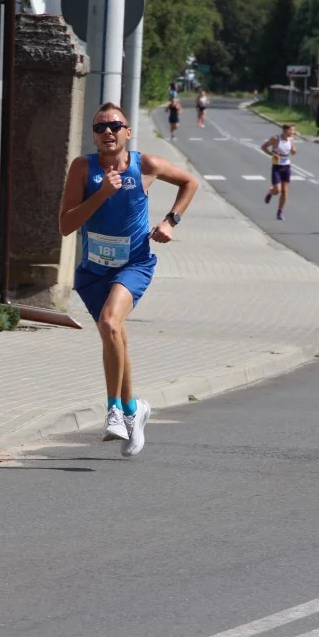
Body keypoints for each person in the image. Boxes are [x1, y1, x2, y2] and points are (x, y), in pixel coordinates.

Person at [59, 102, 199, 457]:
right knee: (114, 334)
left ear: (127, 132)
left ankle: (115, 413)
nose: (107, 132)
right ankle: (136, 410)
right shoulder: (82, 168)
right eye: (100, 127)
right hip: (93, 271)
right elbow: (65, 226)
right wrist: (102, 193)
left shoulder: (145, 165)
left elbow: (189, 182)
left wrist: (171, 221)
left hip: (133, 265)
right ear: (93, 135)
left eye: (115, 125)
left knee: (109, 323)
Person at [261, 124, 298, 220]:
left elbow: (293, 150)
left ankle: (280, 211)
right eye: (292, 130)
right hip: (277, 167)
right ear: (286, 130)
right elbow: (263, 147)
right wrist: (272, 154)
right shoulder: (275, 138)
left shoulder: (291, 139)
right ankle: (270, 192)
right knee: (277, 190)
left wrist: (294, 151)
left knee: (285, 191)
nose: (293, 132)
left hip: (286, 166)